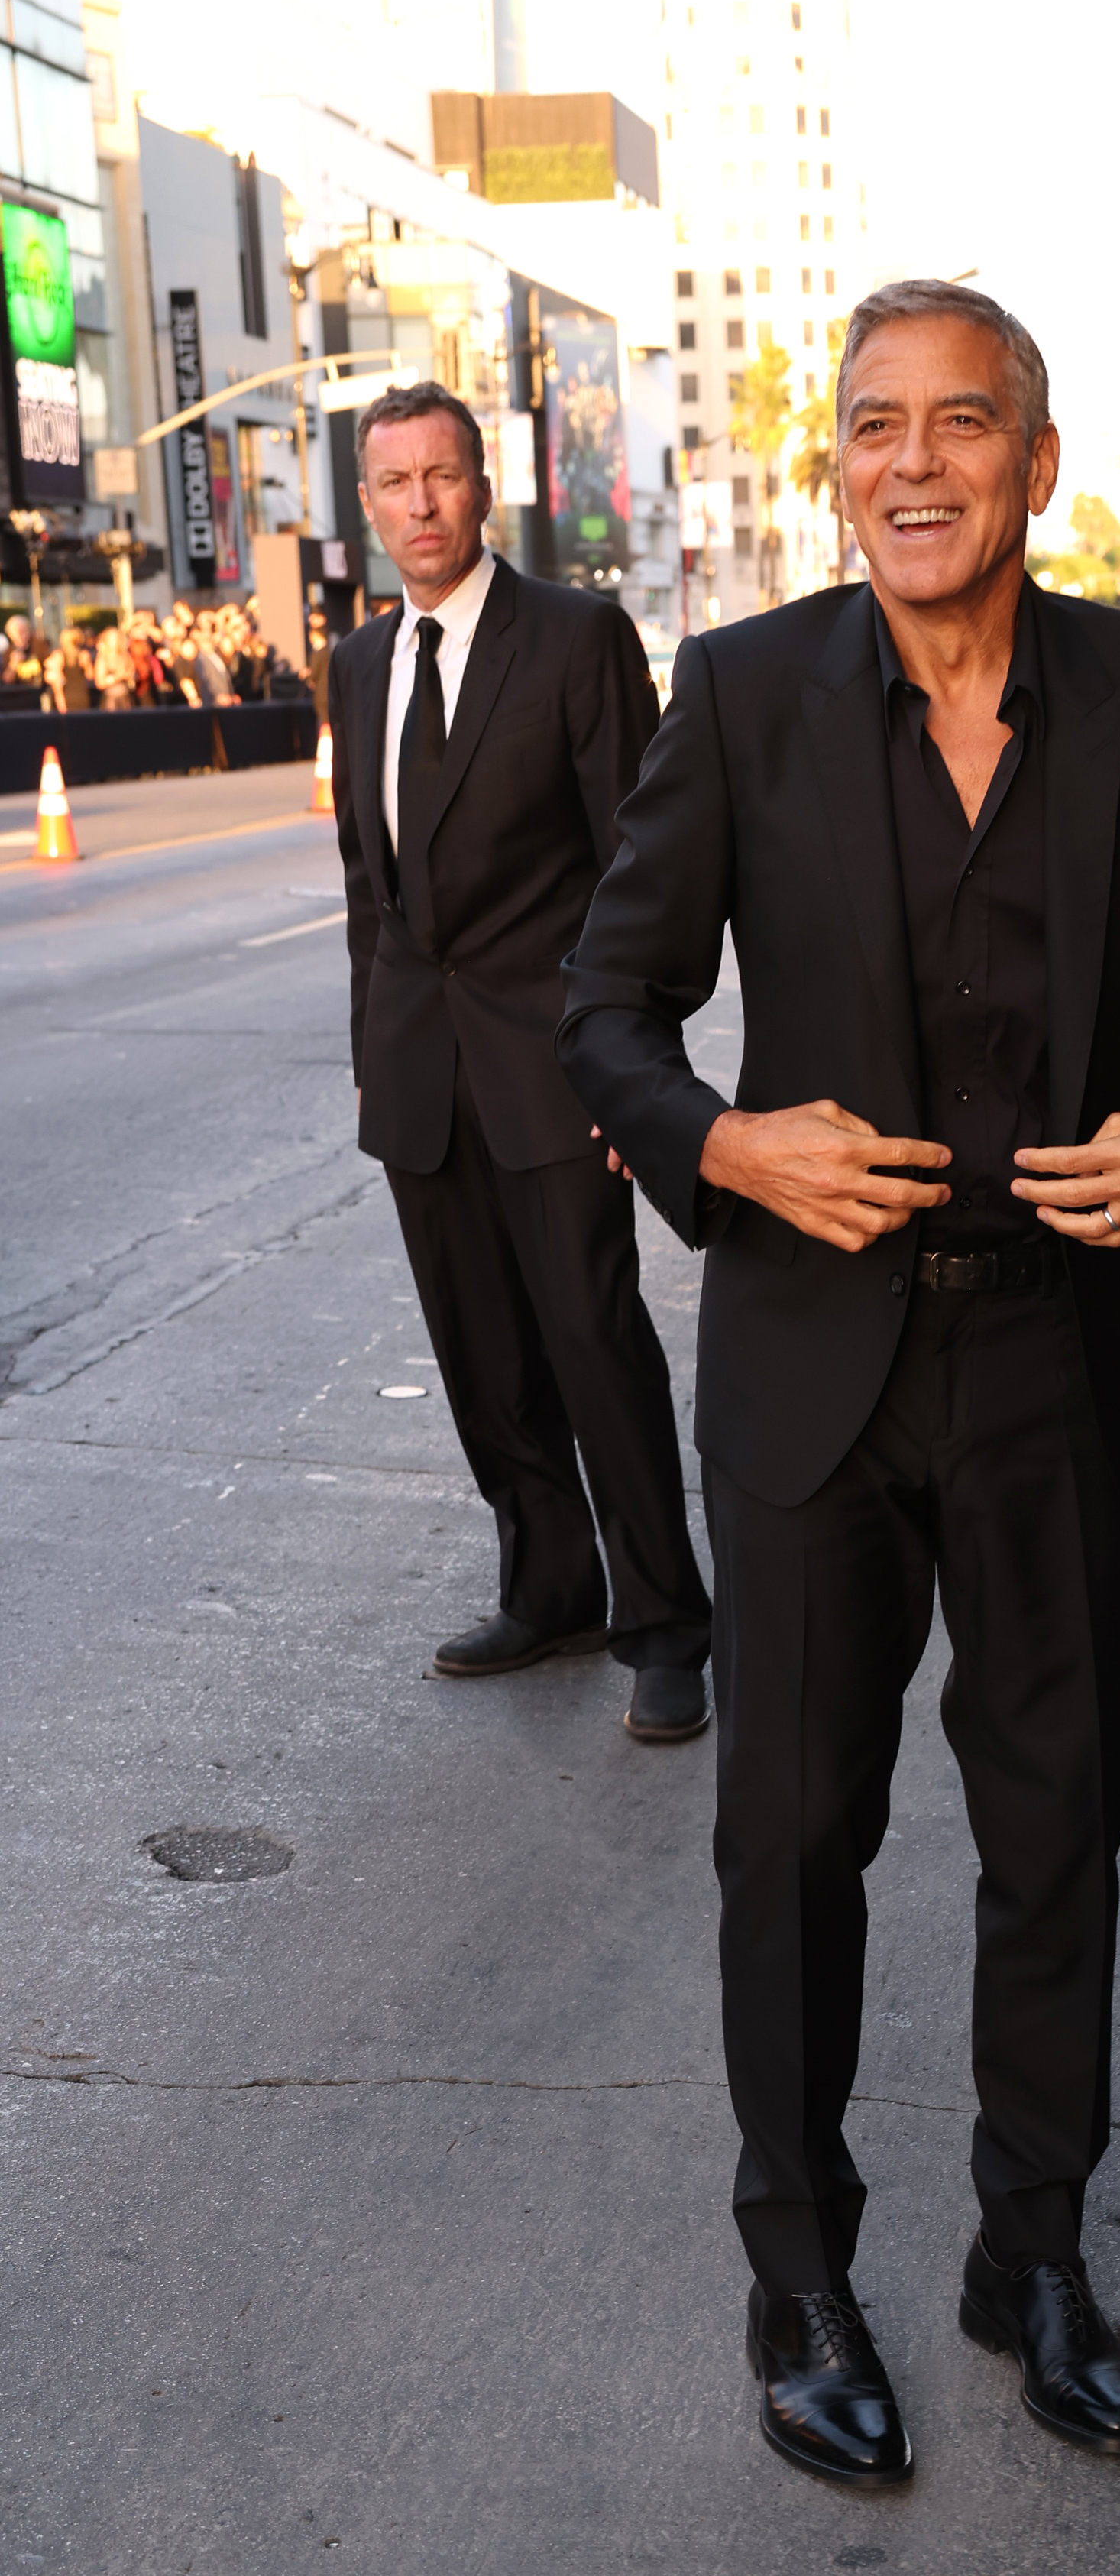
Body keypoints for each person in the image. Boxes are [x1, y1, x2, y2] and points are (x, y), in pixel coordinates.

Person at [558, 277, 1120, 2487]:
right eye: (873, 425)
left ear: (1034, 462)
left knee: (1051, 1823)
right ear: (834, 468)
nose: (913, 461)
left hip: (1066, 1353)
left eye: (961, 422)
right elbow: (602, 1008)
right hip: (810, 1355)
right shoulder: (737, 696)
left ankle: (1032, 2248)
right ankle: (796, 2268)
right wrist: (716, 1140)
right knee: (790, 1836)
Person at [329, 379, 711, 1742]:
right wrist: (375, 1059)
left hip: (555, 1068)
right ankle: (549, 1583)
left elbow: (640, 865)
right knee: (482, 1353)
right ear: (365, 506)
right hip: (420, 1076)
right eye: (394, 483)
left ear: (482, 486)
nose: (421, 503)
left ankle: (667, 1624)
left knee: (595, 1344)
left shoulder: (576, 638)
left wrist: (635, 1075)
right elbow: (371, 892)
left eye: (442, 474)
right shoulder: (360, 663)